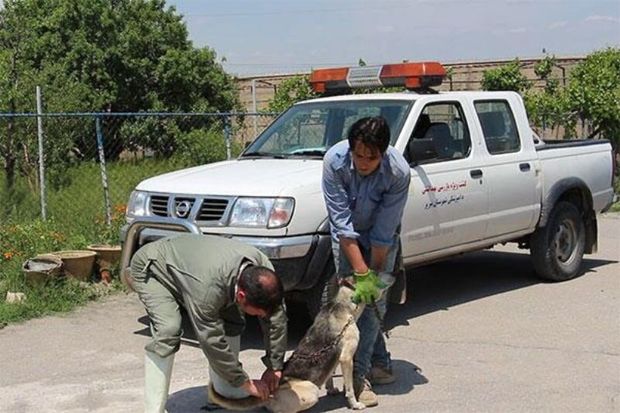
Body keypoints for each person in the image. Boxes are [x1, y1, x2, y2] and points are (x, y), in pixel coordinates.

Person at [127, 234, 287, 413]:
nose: (261, 317)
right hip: (153, 267)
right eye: (257, 313)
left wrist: (275, 366)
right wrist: (244, 382)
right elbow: (212, 341)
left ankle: (224, 394)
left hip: (195, 264)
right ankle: (153, 409)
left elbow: (276, 318)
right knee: (168, 329)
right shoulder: (207, 293)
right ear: (241, 296)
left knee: (232, 321)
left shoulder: (264, 270)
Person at [322, 116, 411, 407]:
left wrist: (371, 276)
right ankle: (380, 361)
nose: (363, 163)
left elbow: (384, 232)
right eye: (358, 155)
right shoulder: (334, 162)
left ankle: (360, 377)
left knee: (373, 303)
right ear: (350, 149)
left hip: (380, 237)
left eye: (370, 158)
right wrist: (360, 273)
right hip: (347, 237)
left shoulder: (397, 172)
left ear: (382, 153)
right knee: (350, 305)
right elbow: (342, 225)